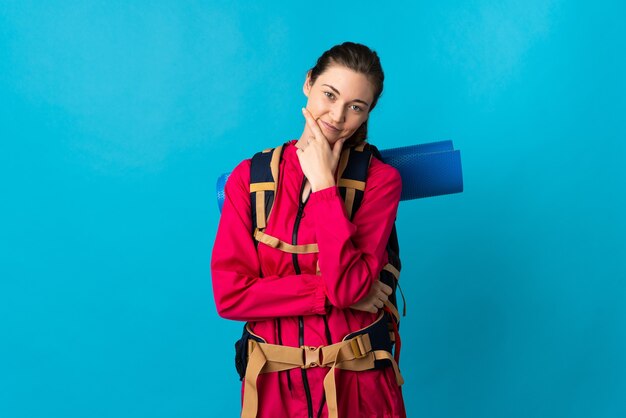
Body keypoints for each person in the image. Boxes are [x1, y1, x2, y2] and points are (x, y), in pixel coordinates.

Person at [211, 42, 406, 418]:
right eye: (329, 94)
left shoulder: (381, 181)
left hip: (360, 387)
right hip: (272, 389)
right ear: (308, 83)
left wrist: (323, 185)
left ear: (368, 112)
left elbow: (349, 286)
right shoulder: (247, 180)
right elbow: (230, 297)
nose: (337, 116)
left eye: (356, 106)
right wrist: (333, 294)